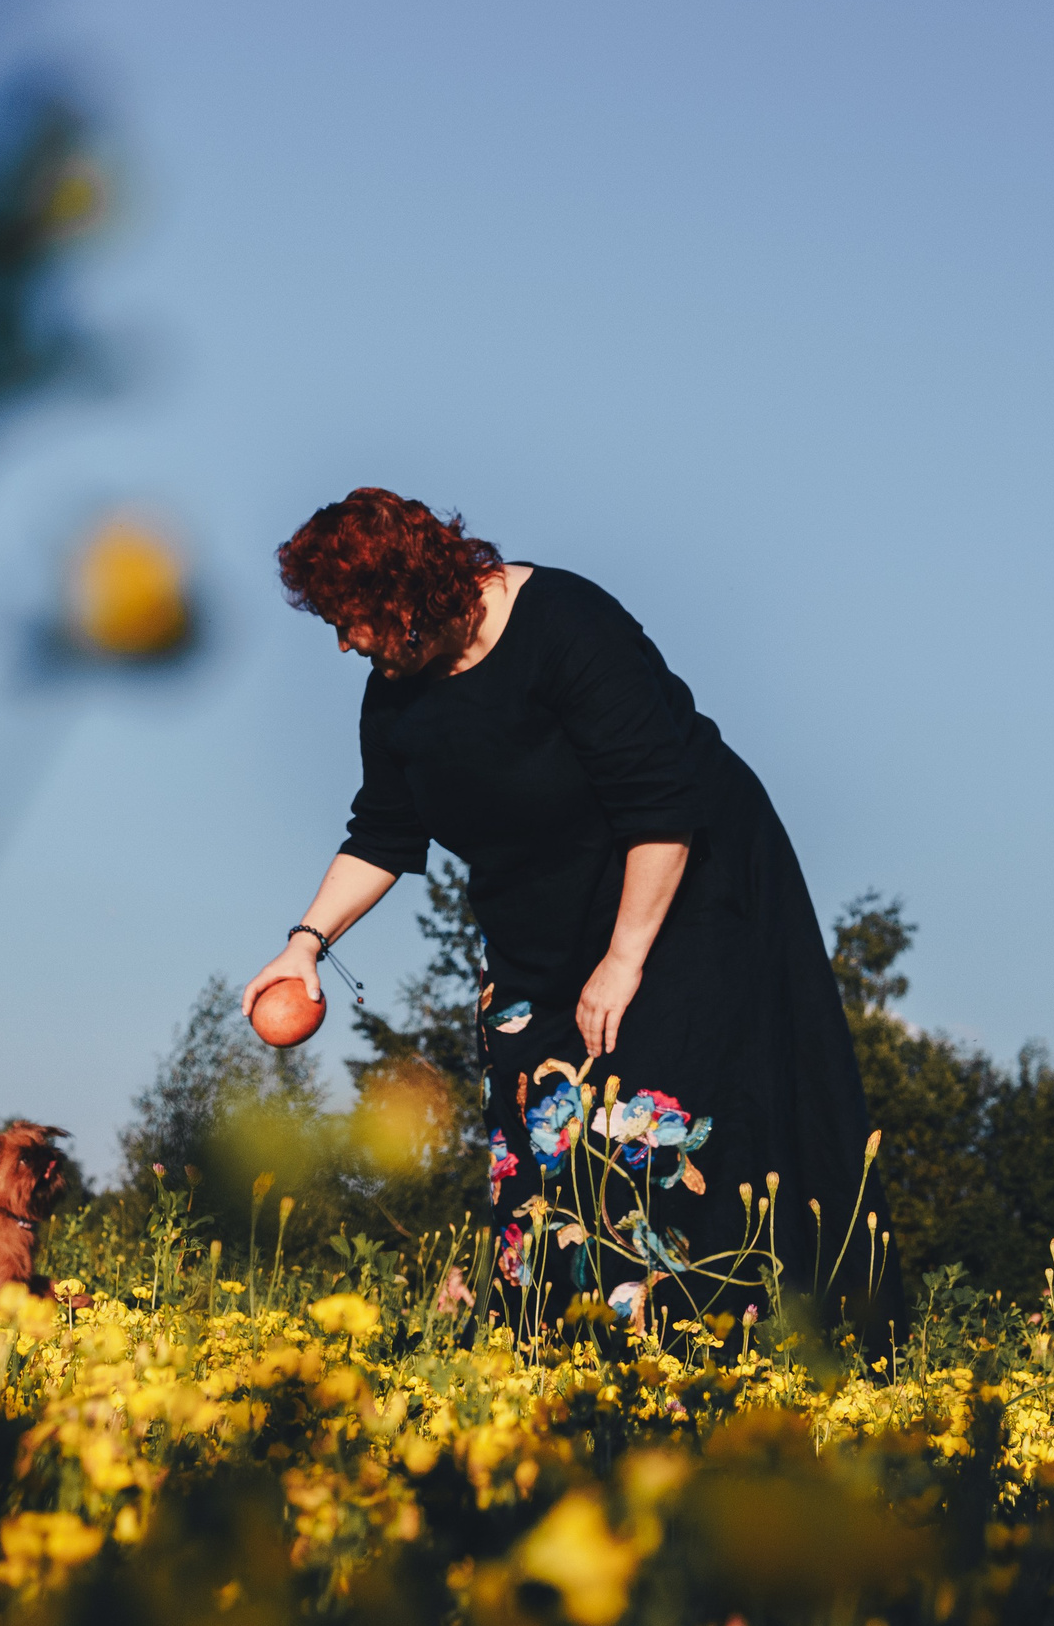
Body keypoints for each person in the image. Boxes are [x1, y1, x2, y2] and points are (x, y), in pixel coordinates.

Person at [243, 488, 887, 1332]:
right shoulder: (395, 693)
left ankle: (706, 1352)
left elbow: (661, 803)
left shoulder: (566, 625)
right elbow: (383, 831)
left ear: (403, 600)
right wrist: (306, 943)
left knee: (661, 1124)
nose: (342, 641)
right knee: (535, 1123)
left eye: (349, 617)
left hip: (684, 889)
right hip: (536, 923)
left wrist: (623, 962)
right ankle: (549, 1354)